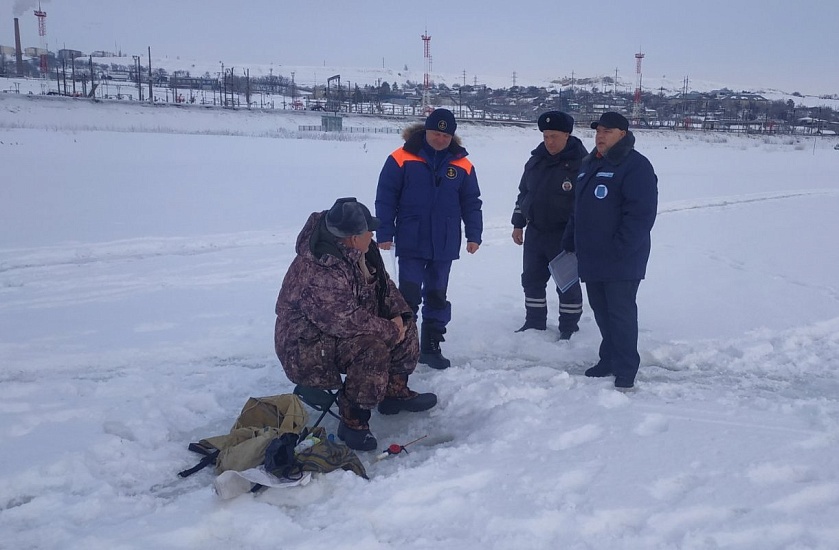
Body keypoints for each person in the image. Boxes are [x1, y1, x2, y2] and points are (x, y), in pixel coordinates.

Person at [274, 197, 437, 451]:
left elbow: (384, 285)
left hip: (340, 330)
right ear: (351, 238)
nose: (373, 233)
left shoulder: (362, 250)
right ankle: (353, 421)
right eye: (367, 230)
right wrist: (390, 329)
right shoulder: (318, 269)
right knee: (371, 348)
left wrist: (399, 315)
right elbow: (344, 321)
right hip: (306, 346)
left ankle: (394, 392)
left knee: (405, 322)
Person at [375, 108, 483, 370]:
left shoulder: (462, 164)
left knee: (437, 295)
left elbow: (471, 202)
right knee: (408, 296)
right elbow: (386, 197)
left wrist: (474, 234)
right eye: (436, 133)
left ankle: (431, 346)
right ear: (426, 131)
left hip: (444, 243)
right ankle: (403, 347)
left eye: (446, 135)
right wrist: (385, 232)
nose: (440, 139)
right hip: (411, 240)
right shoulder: (401, 158)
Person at [562, 112, 658, 389]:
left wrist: (622, 247)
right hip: (592, 254)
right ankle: (609, 358)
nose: (600, 136)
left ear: (623, 135)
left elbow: (640, 214)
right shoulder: (590, 163)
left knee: (620, 312)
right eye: (598, 131)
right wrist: (570, 238)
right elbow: (579, 208)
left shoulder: (635, 166)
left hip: (622, 257)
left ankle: (626, 366)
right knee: (602, 311)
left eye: (608, 131)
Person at [511, 111, 587, 339]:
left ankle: (568, 327)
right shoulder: (535, 161)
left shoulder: (582, 163)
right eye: (545, 136)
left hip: (565, 234)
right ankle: (534, 323)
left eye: (554, 136)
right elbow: (524, 193)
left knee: (567, 283)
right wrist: (518, 223)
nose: (549, 142)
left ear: (567, 135)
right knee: (532, 280)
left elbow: (586, 204)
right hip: (536, 232)